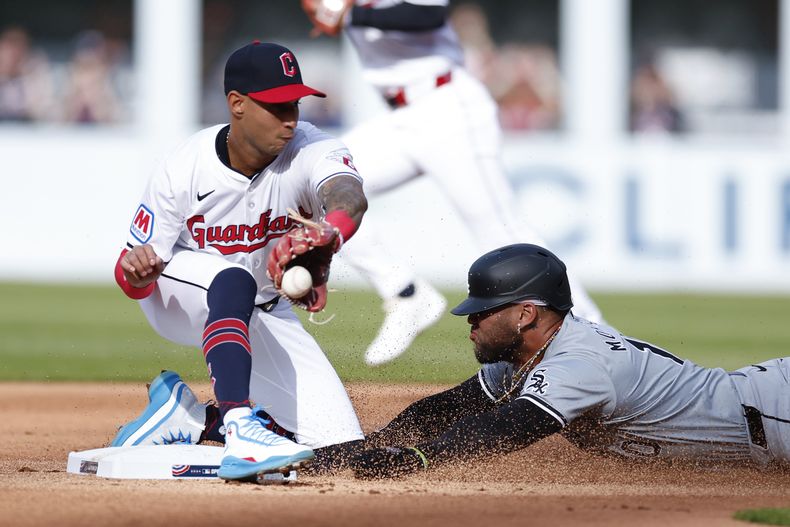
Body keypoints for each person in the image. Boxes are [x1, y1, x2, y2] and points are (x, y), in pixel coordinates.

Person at [304, 243, 790, 478]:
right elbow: (450, 408)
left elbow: (507, 427)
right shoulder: (526, 354)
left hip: (776, 414)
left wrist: (418, 459)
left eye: (482, 312)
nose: (470, 322)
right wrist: (365, 448)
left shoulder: (576, 363)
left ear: (524, 314)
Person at [110, 41, 368, 482]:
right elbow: (130, 278)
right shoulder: (183, 166)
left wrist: (330, 230)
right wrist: (137, 272)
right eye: (276, 105)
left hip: (264, 308)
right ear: (237, 104)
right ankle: (239, 425)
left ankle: (192, 420)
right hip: (180, 295)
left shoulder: (312, 148)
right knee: (232, 278)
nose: (290, 118)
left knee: (336, 449)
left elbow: (348, 196)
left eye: (295, 103)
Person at [300, 0, 604, 367]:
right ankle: (405, 293)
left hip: (448, 108)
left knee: (504, 233)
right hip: (401, 118)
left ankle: (597, 339)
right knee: (324, 187)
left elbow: (427, 14)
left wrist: (350, 15)